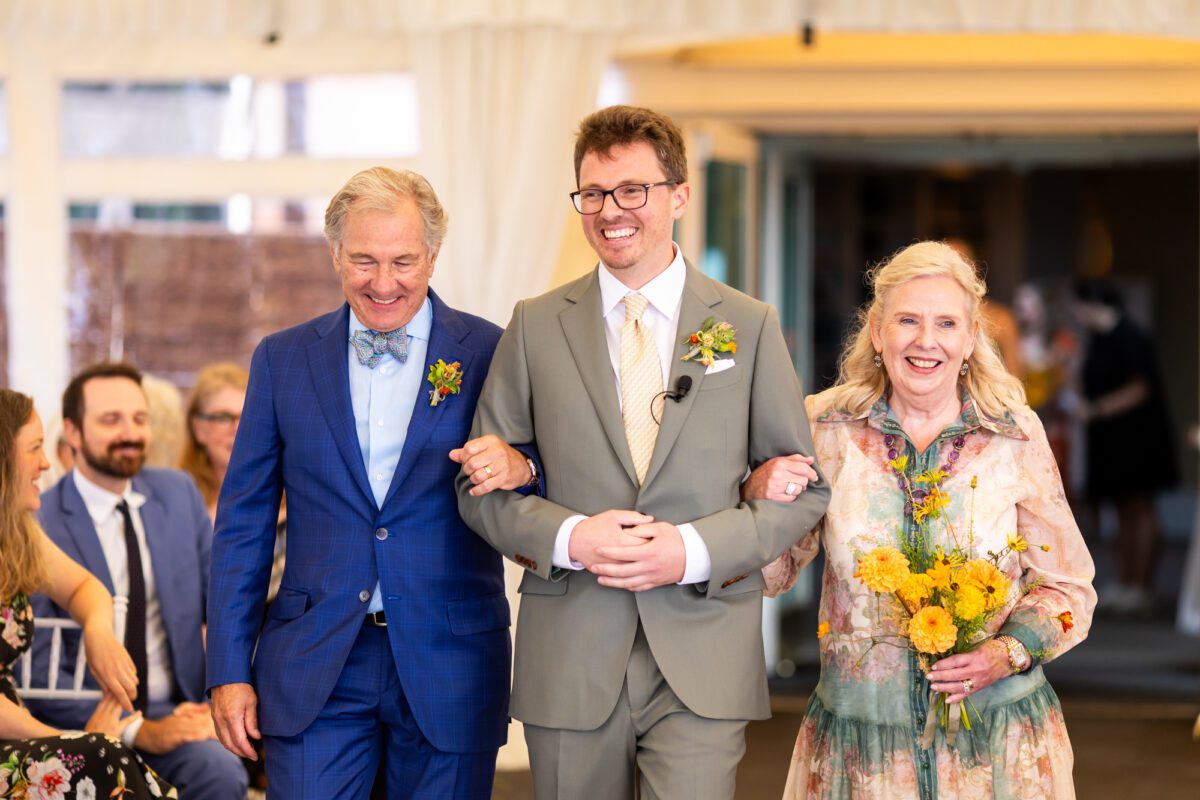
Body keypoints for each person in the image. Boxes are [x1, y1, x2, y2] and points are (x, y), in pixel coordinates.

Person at [454, 105, 830, 799]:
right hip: (570, 649)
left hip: (704, 645)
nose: (610, 211)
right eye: (594, 193)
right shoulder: (535, 325)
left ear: (679, 196)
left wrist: (692, 549)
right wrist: (571, 537)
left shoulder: (748, 325)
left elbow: (802, 490)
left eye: (633, 190)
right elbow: (481, 487)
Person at [206, 167, 533, 798]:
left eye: (403, 261)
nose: (383, 283)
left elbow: (540, 473)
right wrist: (228, 669)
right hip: (314, 662)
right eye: (363, 261)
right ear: (335, 255)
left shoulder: (492, 351)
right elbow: (243, 524)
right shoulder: (281, 359)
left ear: (433, 255)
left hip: (451, 658)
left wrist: (523, 467)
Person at [750, 241, 1096, 798]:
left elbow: (1068, 587)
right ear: (877, 332)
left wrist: (1004, 652)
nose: (926, 341)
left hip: (994, 751)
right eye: (907, 320)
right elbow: (772, 572)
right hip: (863, 758)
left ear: (971, 337)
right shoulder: (824, 426)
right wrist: (756, 495)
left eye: (946, 323)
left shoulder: (1013, 434)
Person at [29, 362, 248, 800]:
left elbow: (226, 605)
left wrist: (220, 696)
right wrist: (139, 730)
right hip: (83, 722)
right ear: (72, 432)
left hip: (178, 708)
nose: (130, 433)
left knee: (221, 773)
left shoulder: (178, 493)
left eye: (139, 418)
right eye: (111, 420)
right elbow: (35, 671)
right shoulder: (39, 521)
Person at [0, 388, 176, 798]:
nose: (46, 462)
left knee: (105, 755)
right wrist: (66, 737)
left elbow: (84, 586)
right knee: (102, 754)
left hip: (13, 737)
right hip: (12, 737)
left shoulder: (17, 534)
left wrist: (98, 629)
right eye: (35, 448)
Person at [1073, 280, 1177, 615]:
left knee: (1140, 507)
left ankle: (1141, 586)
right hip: (1110, 439)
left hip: (1138, 438)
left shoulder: (1131, 337)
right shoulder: (1098, 339)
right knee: (1120, 509)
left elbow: (1140, 388)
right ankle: (1125, 580)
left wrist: (1098, 409)